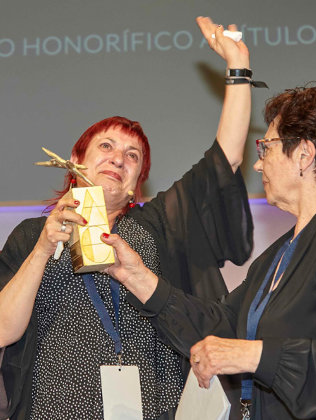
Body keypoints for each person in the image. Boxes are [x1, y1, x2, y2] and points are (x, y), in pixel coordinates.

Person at [102, 83, 316, 419]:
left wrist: (251, 356)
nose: (257, 164)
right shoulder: (281, 253)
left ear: (303, 156)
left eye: (266, 147)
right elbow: (223, 325)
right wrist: (136, 277)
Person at [0, 17, 255, 420]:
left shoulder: (157, 226)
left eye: (132, 155)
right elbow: (3, 330)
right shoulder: (32, 234)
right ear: (76, 160)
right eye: (107, 145)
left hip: (150, 407)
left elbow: (226, 159)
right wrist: (44, 247)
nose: (119, 157)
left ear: (137, 183)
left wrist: (238, 68)